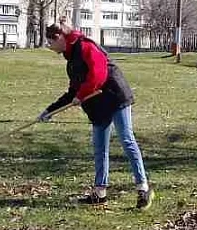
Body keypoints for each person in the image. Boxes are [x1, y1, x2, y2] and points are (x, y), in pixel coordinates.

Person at [39, 22, 153, 209]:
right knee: (100, 147)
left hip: (115, 96)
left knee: (126, 139)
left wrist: (81, 95)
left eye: (50, 42)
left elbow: (97, 76)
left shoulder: (86, 46)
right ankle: (100, 192)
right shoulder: (70, 60)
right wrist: (49, 111)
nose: (49, 46)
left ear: (60, 38)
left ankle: (142, 188)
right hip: (97, 105)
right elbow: (72, 91)